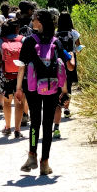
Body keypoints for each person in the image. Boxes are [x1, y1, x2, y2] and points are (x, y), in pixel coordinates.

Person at [16, 9, 75, 175]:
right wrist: (64, 92)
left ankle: (32, 155)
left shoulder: (29, 41)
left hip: (33, 87)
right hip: (52, 88)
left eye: (34, 19)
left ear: (39, 21)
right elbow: (62, 69)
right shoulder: (56, 42)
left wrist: (19, 89)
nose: (32, 22)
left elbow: (21, 66)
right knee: (48, 124)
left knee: (35, 122)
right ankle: (45, 163)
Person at [0, 18, 25, 137]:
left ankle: (7, 127)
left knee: (7, 102)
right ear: (17, 28)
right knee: (19, 102)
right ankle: (17, 130)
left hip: (5, 75)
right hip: (21, 76)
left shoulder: (0, 41)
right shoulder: (23, 39)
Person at [53, 11, 81, 137]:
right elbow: (78, 47)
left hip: (58, 59)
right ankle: (67, 108)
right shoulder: (74, 33)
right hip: (70, 59)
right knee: (68, 83)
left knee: (60, 82)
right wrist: (75, 52)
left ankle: (59, 102)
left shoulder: (56, 33)